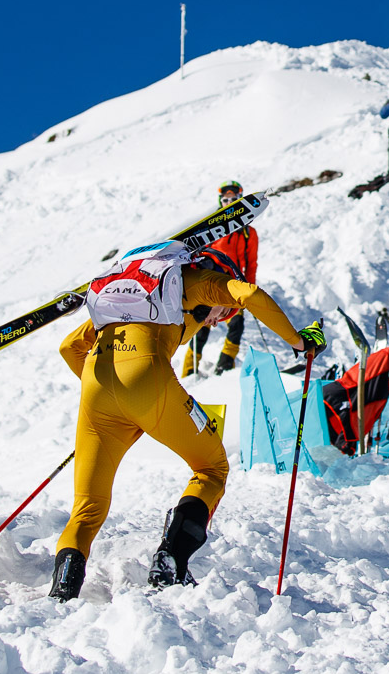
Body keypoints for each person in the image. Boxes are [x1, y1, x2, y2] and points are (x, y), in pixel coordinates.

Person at [48, 245, 323, 600]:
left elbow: (70, 346)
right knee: (212, 468)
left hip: (96, 389)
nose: (218, 320)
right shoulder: (199, 282)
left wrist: (114, 405)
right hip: (147, 382)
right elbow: (250, 293)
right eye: (223, 313)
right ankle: (170, 562)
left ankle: (63, 588)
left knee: (87, 507)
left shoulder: (139, 296)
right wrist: (299, 343)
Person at [182, 181, 258, 377]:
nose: (229, 203)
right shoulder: (211, 228)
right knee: (203, 323)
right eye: (226, 200)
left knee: (236, 324)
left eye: (234, 200)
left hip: (233, 283)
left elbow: (251, 264)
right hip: (210, 278)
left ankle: (225, 366)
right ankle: (189, 371)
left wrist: (249, 291)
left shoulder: (248, 233)